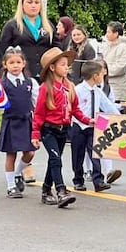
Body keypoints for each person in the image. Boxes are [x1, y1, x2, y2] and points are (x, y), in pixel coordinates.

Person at [0, 0, 59, 184]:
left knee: (41, 122)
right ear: (22, 4)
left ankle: (30, 162)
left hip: (43, 78)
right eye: (29, 2)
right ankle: (24, 168)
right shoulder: (13, 26)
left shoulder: (48, 26)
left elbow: (55, 51)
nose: (33, 5)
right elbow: (1, 52)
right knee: (25, 121)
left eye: (36, 2)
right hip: (21, 79)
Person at [31, 47, 93, 208]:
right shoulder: (46, 88)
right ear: (52, 67)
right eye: (63, 64)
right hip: (48, 130)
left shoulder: (69, 87)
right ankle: (61, 191)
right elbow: (38, 114)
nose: (67, 67)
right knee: (56, 159)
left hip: (63, 130)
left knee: (54, 161)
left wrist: (87, 120)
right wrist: (35, 134)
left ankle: (46, 190)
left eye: (67, 65)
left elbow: (76, 109)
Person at [0, 47, 38, 198]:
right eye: (11, 62)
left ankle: (18, 173)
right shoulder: (2, 84)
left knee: (30, 152)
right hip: (11, 121)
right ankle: (11, 186)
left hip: (26, 121)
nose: (15, 65)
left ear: (24, 63)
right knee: (11, 155)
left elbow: (36, 102)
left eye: (18, 62)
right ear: (5, 65)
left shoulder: (30, 82)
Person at [71, 60, 120, 193]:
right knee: (78, 155)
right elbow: (73, 108)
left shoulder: (97, 91)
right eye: (101, 75)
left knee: (96, 154)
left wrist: (120, 117)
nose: (102, 77)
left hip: (94, 127)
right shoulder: (77, 90)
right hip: (79, 126)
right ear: (95, 76)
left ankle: (98, 181)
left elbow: (107, 106)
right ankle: (78, 179)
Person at [102, 21, 126, 104]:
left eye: (108, 32)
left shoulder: (123, 47)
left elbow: (120, 67)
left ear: (116, 33)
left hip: (118, 87)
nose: (106, 34)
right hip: (106, 84)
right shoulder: (105, 46)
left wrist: (104, 71)